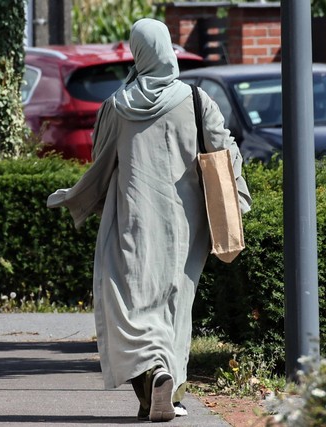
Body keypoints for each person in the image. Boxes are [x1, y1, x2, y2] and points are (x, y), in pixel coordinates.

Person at [47, 18, 251, 422]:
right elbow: (226, 153)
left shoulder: (118, 106)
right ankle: (168, 386)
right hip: (187, 225)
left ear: (139, 53)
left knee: (130, 304)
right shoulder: (196, 100)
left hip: (132, 220)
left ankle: (151, 381)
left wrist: (76, 198)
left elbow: (100, 161)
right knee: (175, 302)